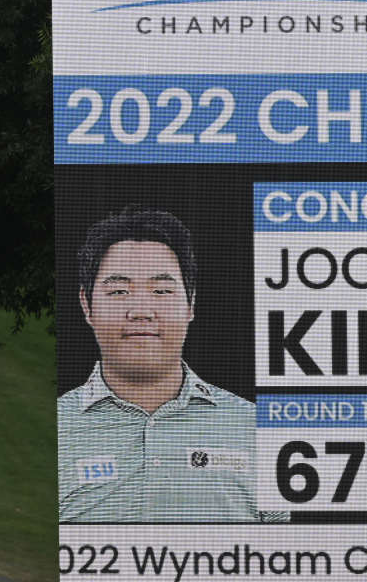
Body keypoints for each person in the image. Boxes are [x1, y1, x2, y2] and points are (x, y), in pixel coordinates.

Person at [58, 208, 284, 523]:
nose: (140, 311)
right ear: (87, 304)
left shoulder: (259, 431)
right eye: (119, 291)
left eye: (162, 291)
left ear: (191, 303)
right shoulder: (51, 429)